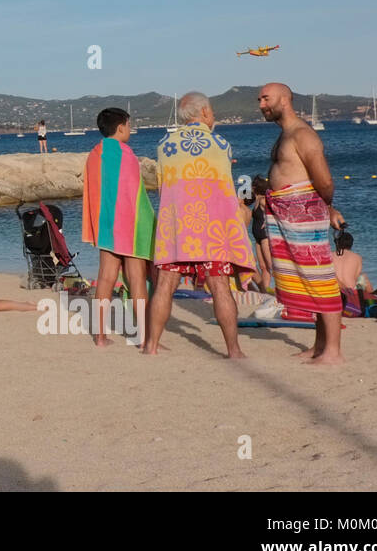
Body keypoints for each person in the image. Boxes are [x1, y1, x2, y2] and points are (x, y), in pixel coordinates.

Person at [142, 92, 254, 359]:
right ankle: (234, 350)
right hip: (212, 230)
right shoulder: (221, 144)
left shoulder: (163, 144)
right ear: (204, 112)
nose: (213, 116)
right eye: (212, 111)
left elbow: (162, 185)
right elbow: (225, 185)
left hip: (177, 228)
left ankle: (151, 346)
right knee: (220, 287)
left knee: (165, 285)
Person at [258, 82, 345, 364]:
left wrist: (328, 207)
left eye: (265, 98)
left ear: (284, 100)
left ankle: (333, 351)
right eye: (259, 99)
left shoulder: (303, 135)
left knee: (320, 279)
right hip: (290, 216)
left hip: (305, 216)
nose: (261, 104)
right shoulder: (285, 135)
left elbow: (325, 180)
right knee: (309, 280)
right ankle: (320, 346)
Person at [81, 107, 155, 348]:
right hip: (131, 227)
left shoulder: (95, 153)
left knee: (105, 278)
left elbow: (97, 192)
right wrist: (149, 224)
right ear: (121, 127)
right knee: (137, 280)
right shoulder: (126, 153)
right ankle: (145, 339)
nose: (130, 131)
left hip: (106, 225)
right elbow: (136, 195)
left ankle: (100, 337)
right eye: (129, 126)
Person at [248, 176, 273, 286]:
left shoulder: (263, 200)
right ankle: (266, 290)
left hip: (265, 237)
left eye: (251, 186)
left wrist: (268, 221)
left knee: (271, 265)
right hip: (257, 238)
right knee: (263, 266)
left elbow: (275, 212)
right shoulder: (257, 201)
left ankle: (285, 289)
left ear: (255, 187)